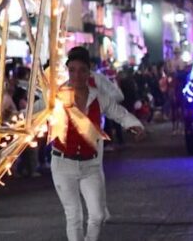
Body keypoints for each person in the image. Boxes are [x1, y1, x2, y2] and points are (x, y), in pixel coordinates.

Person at [49, 46, 144, 241]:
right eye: (72, 69)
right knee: (74, 215)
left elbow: (119, 112)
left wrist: (134, 125)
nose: (77, 75)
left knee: (98, 215)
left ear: (88, 71)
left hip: (90, 165)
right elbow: (35, 112)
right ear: (67, 70)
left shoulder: (97, 96)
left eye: (82, 70)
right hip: (63, 164)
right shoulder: (57, 96)